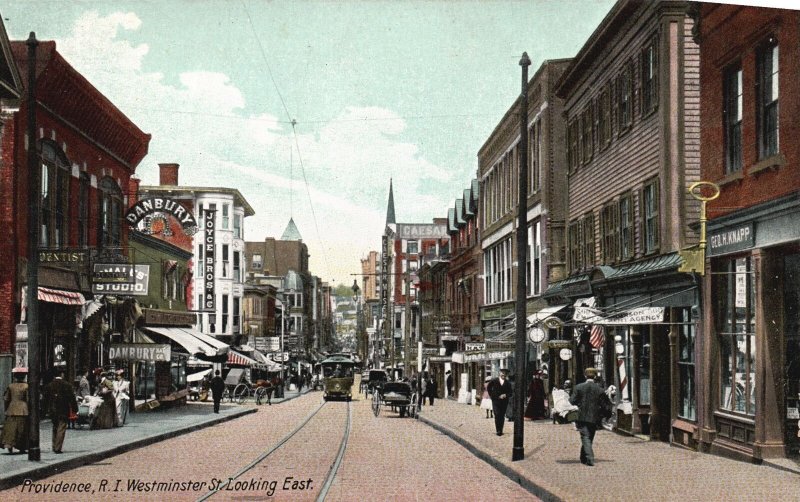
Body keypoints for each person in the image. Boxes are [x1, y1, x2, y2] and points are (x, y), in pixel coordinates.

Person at [569, 367, 605, 466]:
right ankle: (584, 457)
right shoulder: (600, 389)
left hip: (581, 416)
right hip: (594, 417)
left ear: (585, 376)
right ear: (595, 376)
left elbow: (572, 401)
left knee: (585, 436)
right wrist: (604, 415)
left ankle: (589, 458)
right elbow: (605, 405)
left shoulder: (579, 387)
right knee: (589, 437)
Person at [46, 370, 77, 454]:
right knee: (61, 427)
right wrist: (75, 409)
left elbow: (46, 399)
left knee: (55, 427)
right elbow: (72, 398)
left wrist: (46, 409)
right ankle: (58, 447)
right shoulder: (67, 385)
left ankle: (54, 445)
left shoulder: (50, 385)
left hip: (53, 409)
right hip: (63, 409)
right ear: (62, 374)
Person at [1, 368, 29, 454]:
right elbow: (28, 399)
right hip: (23, 409)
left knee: (10, 429)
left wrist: (7, 408)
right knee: (22, 429)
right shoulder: (26, 386)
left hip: (12, 408)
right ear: (24, 377)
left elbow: (6, 398)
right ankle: (22, 447)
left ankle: (9, 445)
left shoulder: (11, 386)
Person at [487, 369, 513, 436]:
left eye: (505, 374)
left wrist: (505, 395)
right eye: (502, 373)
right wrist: (492, 396)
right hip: (496, 401)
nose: (503, 375)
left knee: (502, 416)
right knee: (497, 414)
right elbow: (488, 387)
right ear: (500, 373)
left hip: (504, 402)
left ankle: (501, 430)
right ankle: (498, 430)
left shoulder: (508, 383)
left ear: (506, 375)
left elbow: (510, 393)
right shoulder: (494, 380)